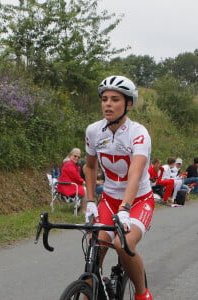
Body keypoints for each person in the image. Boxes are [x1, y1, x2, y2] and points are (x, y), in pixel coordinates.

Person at [84, 75, 154, 299]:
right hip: (108, 200)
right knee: (95, 247)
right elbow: (90, 167)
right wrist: (91, 200)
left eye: (115, 99)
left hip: (138, 200)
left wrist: (125, 207)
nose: (108, 104)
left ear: (128, 104)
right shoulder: (94, 131)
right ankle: (88, 292)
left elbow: (135, 173)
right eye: (104, 99)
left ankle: (142, 293)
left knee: (123, 244)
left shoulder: (139, 133)